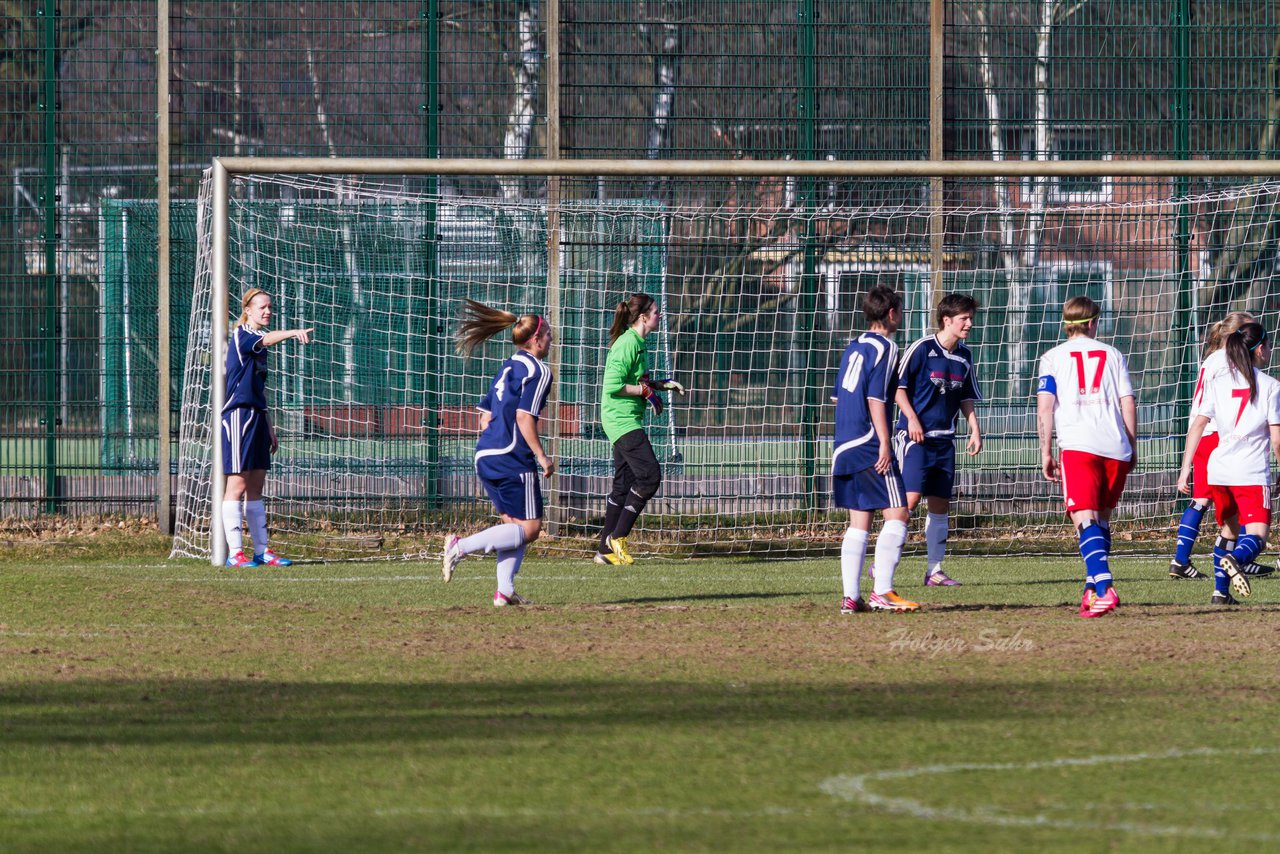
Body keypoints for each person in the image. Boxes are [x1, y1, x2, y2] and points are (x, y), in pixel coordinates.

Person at [442, 300, 556, 607]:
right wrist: (541, 457)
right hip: (511, 454)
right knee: (530, 529)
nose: (551, 340)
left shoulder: (508, 365)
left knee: (514, 525)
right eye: (548, 336)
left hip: (485, 454)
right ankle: (460, 546)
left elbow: (485, 417)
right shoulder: (539, 370)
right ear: (536, 338)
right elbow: (523, 417)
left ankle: (504, 591)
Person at [1036, 295, 1136, 618]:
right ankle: (1091, 591)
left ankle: (1105, 589)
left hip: (1079, 446)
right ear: (1093, 323)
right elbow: (1127, 402)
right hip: (1115, 446)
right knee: (1101, 521)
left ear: (1067, 323)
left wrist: (1046, 451)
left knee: (1084, 520)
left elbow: (1045, 408)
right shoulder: (1114, 355)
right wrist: (1132, 445)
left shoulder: (1052, 357)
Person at [1177, 322, 1280, 605]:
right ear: (1260, 350)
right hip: (1250, 472)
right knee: (1257, 535)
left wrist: (1186, 467)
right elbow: (1277, 439)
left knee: (1229, 529)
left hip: (1218, 470)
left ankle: (1220, 593)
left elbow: (1198, 424)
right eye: (1269, 345)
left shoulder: (1218, 383)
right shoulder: (1271, 386)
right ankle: (1236, 560)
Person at [832, 284, 919, 614]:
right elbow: (876, 399)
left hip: (843, 444)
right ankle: (882, 591)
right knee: (898, 513)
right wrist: (884, 442)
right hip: (869, 443)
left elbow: (840, 398)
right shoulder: (886, 348)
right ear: (893, 313)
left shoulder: (853, 347)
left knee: (859, 523)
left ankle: (850, 597)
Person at [893, 293, 983, 586]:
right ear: (947, 320)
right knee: (910, 500)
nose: (969, 323)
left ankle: (934, 570)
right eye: (964, 318)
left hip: (946, 440)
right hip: (915, 438)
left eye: (970, 317)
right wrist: (912, 419)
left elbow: (966, 396)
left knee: (940, 505)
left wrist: (974, 428)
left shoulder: (965, 355)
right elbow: (897, 387)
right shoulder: (921, 349)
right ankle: (886, 559)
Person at [221, 288, 313, 568]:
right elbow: (268, 339)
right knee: (236, 484)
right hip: (238, 416)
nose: (267, 311)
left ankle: (262, 551)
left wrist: (269, 424)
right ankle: (235, 553)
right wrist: (291, 332)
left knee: (256, 486)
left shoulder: (258, 348)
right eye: (262, 307)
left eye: (270, 307)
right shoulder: (243, 336)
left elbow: (259, 389)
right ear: (247, 310)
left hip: (258, 417)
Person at [593, 292, 684, 566]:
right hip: (621, 422)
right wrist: (645, 391)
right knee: (649, 476)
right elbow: (613, 386)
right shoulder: (627, 344)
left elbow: (637, 382)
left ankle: (604, 552)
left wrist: (661, 385)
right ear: (643, 317)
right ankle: (617, 537)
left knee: (622, 486)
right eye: (656, 311)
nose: (660, 315)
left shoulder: (638, 343)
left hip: (624, 419)